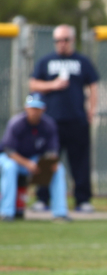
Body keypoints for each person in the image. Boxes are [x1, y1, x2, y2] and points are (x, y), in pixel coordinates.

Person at [29, 24, 99, 213]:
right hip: (51, 122)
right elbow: (33, 83)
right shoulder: (46, 61)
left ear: (72, 40)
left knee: (80, 162)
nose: (62, 44)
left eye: (65, 40)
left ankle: (82, 200)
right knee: (47, 160)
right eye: (58, 40)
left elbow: (93, 85)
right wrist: (53, 85)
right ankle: (42, 199)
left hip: (77, 120)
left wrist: (91, 110)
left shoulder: (82, 61)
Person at [0, 93, 70, 222]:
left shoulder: (49, 124)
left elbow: (52, 151)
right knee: (10, 167)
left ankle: (60, 213)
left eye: (37, 108)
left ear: (43, 109)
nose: (34, 111)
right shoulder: (16, 123)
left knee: (58, 169)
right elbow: (9, 151)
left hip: (34, 160)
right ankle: (6, 213)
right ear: (26, 108)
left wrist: (50, 162)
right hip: (11, 159)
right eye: (32, 108)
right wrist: (28, 164)